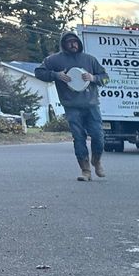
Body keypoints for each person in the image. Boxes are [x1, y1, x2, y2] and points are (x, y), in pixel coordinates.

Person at [34, 31, 109, 181]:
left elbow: (106, 78)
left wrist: (93, 77)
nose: (72, 44)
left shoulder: (89, 60)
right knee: (78, 138)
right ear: (63, 44)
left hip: (91, 104)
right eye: (69, 42)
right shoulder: (54, 60)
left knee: (98, 136)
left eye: (75, 42)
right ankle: (85, 170)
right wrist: (56, 75)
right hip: (71, 105)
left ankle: (97, 160)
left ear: (79, 43)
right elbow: (38, 72)